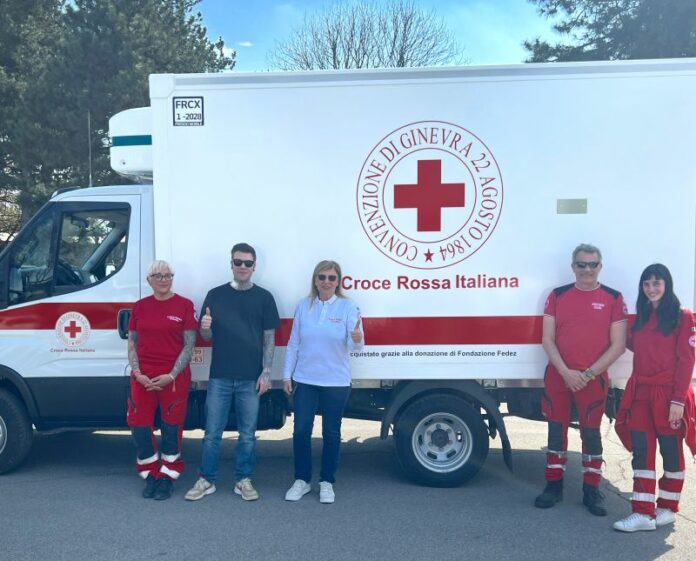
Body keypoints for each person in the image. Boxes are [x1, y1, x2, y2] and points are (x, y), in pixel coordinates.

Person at [534, 243, 627, 515]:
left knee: (591, 434)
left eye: (593, 264)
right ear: (573, 267)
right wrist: (566, 372)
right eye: (582, 264)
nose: (587, 269)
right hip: (558, 375)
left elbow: (618, 345)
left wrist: (587, 374)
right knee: (556, 431)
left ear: (600, 266)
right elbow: (547, 339)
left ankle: (592, 489)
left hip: (593, 379)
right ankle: (553, 486)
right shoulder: (558, 295)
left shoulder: (613, 297)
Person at [185, 243, 279, 502]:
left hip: (251, 377)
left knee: (247, 435)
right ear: (231, 264)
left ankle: (243, 480)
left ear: (254, 266)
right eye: (238, 262)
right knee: (212, 434)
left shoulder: (264, 297)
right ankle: (207, 479)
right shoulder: (215, 295)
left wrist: (266, 372)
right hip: (220, 376)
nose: (243, 267)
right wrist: (205, 327)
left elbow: (269, 338)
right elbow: (206, 336)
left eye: (248, 263)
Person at [613, 264, 696, 532]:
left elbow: (687, 361)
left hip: (669, 394)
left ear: (667, 284)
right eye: (646, 283)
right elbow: (633, 344)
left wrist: (678, 400)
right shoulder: (643, 317)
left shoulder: (683, 317)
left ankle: (668, 507)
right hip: (640, 393)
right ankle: (642, 513)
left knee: (670, 450)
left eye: (657, 283)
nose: (651, 288)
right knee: (642, 451)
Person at [283, 260, 363, 504]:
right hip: (305, 379)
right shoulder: (303, 306)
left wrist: (357, 338)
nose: (326, 282)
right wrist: (286, 375)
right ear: (315, 280)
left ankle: (327, 481)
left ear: (338, 281)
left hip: (336, 381)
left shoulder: (348, 307)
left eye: (331, 278)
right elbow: (293, 343)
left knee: (331, 432)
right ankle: (302, 480)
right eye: (322, 277)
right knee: (301, 431)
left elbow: (356, 347)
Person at [127, 260, 197, 500]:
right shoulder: (140, 307)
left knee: (171, 427)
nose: (164, 280)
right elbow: (132, 343)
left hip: (173, 378)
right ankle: (149, 473)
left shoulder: (184, 305)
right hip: (142, 378)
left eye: (168, 275)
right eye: (158, 275)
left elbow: (189, 345)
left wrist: (171, 375)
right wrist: (138, 373)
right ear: (149, 280)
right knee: (139, 425)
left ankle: (168, 475)